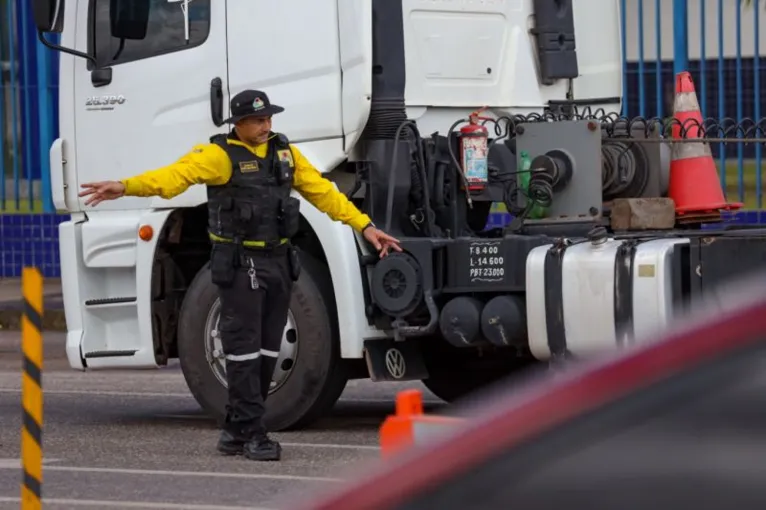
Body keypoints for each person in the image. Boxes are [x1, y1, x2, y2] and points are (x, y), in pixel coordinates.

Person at [79, 89, 402, 461]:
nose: (266, 126)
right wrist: (124, 187)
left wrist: (364, 226)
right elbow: (173, 179)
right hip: (240, 265)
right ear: (239, 124)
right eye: (258, 121)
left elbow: (322, 193)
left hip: (280, 262)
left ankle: (236, 430)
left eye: (269, 119)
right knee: (244, 351)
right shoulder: (218, 156)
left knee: (267, 350)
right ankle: (252, 432)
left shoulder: (285, 153)